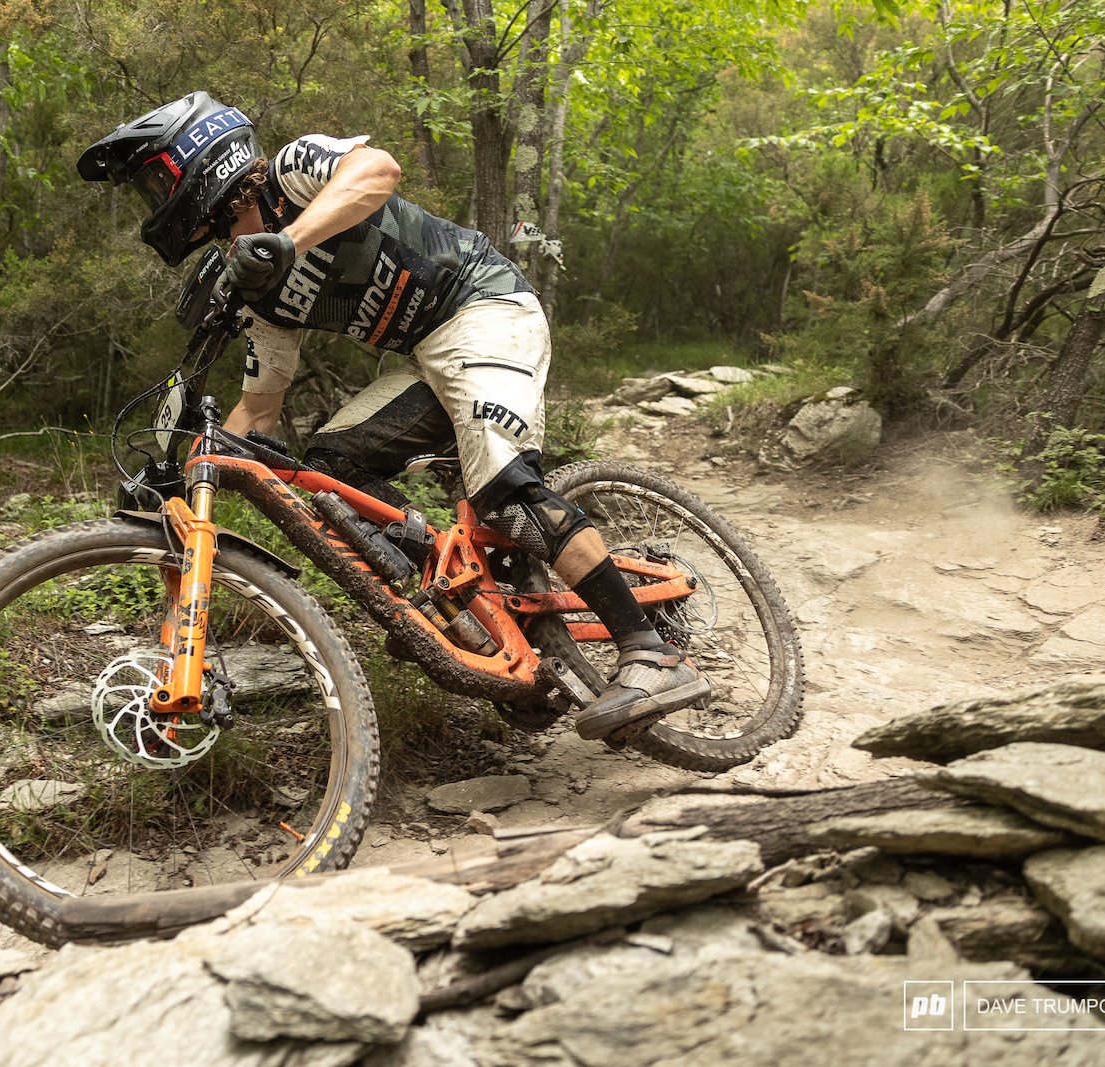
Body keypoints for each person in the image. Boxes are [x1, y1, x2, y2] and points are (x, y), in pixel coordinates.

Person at [78, 90, 708, 743]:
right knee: (328, 468)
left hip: (487, 307)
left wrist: (287, 239)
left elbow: (378, 171)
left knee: (500, 484)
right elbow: (260, 410)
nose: (154, 201)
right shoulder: (263, 296)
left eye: (157, 182)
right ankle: (460, 596)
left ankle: (649, 650)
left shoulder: (295, 170)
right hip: (427, 361)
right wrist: (186, 482)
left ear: (198, 162)